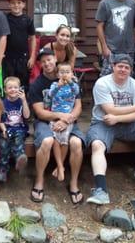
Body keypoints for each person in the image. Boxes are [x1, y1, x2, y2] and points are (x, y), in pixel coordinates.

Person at [86, 54, 135, 206]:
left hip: (126, 123)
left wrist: (119, 118)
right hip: (103, 122)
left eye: (127, 67)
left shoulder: (134, 85)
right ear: (113, 67)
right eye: (120, 66)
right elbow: (109, 109)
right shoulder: (102, 83)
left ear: (130, 70)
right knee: (97, 145)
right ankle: (101, 190)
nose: (123, 70)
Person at [28, 48, 85, 204]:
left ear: (55, 59)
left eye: (49, 59)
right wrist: (60, 116)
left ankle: (73, 183)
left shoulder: (71, 80)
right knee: (47, 141)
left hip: (69, 120)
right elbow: (40, 112)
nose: (47, 63)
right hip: (45, 121)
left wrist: (67, 119)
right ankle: (39, 181)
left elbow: (78, 106)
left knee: (76, 143)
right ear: (40, 64)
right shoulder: (37, 85)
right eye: (43, 61)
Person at [95, 0, 135, 76]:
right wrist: (104, 47)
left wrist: (134, 43)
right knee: (107, 79)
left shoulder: (133, 4)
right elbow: (99, 26)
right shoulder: (105, 3)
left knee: (126, 80)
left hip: (129, 51)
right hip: (111, 50)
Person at [46, 62, 80, 182]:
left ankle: (60, 166)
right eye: (62, 72)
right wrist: (58, 86)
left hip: (67, 118)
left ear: (72, 73)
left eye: (67, 72)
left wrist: (70, 82)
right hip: (55, 116)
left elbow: (76, 93)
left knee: (64, 140)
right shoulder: (55, 84)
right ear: (57, 74)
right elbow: (50, 95)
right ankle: (60, 166)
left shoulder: (73, 85)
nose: (65, 74)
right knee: (55, 138)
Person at [0, 76, 30, 183]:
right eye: (10, 88)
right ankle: (2, 171)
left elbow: (27, 116)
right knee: (3, 144)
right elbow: (0, 120)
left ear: (19, 89)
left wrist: (24, 100)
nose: (13, 90)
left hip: (20, 128)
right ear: (5, 90)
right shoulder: (2, 103)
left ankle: (20, 158)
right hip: (6, 128)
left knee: (18, 140)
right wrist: (3, 130)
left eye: (15, 87)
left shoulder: (21, 101)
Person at [4, 0, 36, 92]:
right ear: (9, 5)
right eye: (13, 3)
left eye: (19, 2)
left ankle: (23, 103)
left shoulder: (28, 20)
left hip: (23, 58)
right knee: (9, 81)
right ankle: (9, 105)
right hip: (8, 57)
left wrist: (32, 56)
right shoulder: (5, 18)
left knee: (23, 83)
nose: (16, 5)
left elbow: (33, 38)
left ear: (23, 5)